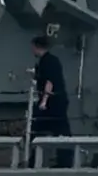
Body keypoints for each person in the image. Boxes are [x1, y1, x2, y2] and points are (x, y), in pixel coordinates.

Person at [29, 35, 73, 168]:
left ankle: (35, 161)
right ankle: (61, 161)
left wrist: (44, 101)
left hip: (53, 103)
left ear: (37, 47)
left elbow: (50, 82)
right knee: (56, 131)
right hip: (56, 101)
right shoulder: (48, 61)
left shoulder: (48, 61)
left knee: (41, 129)